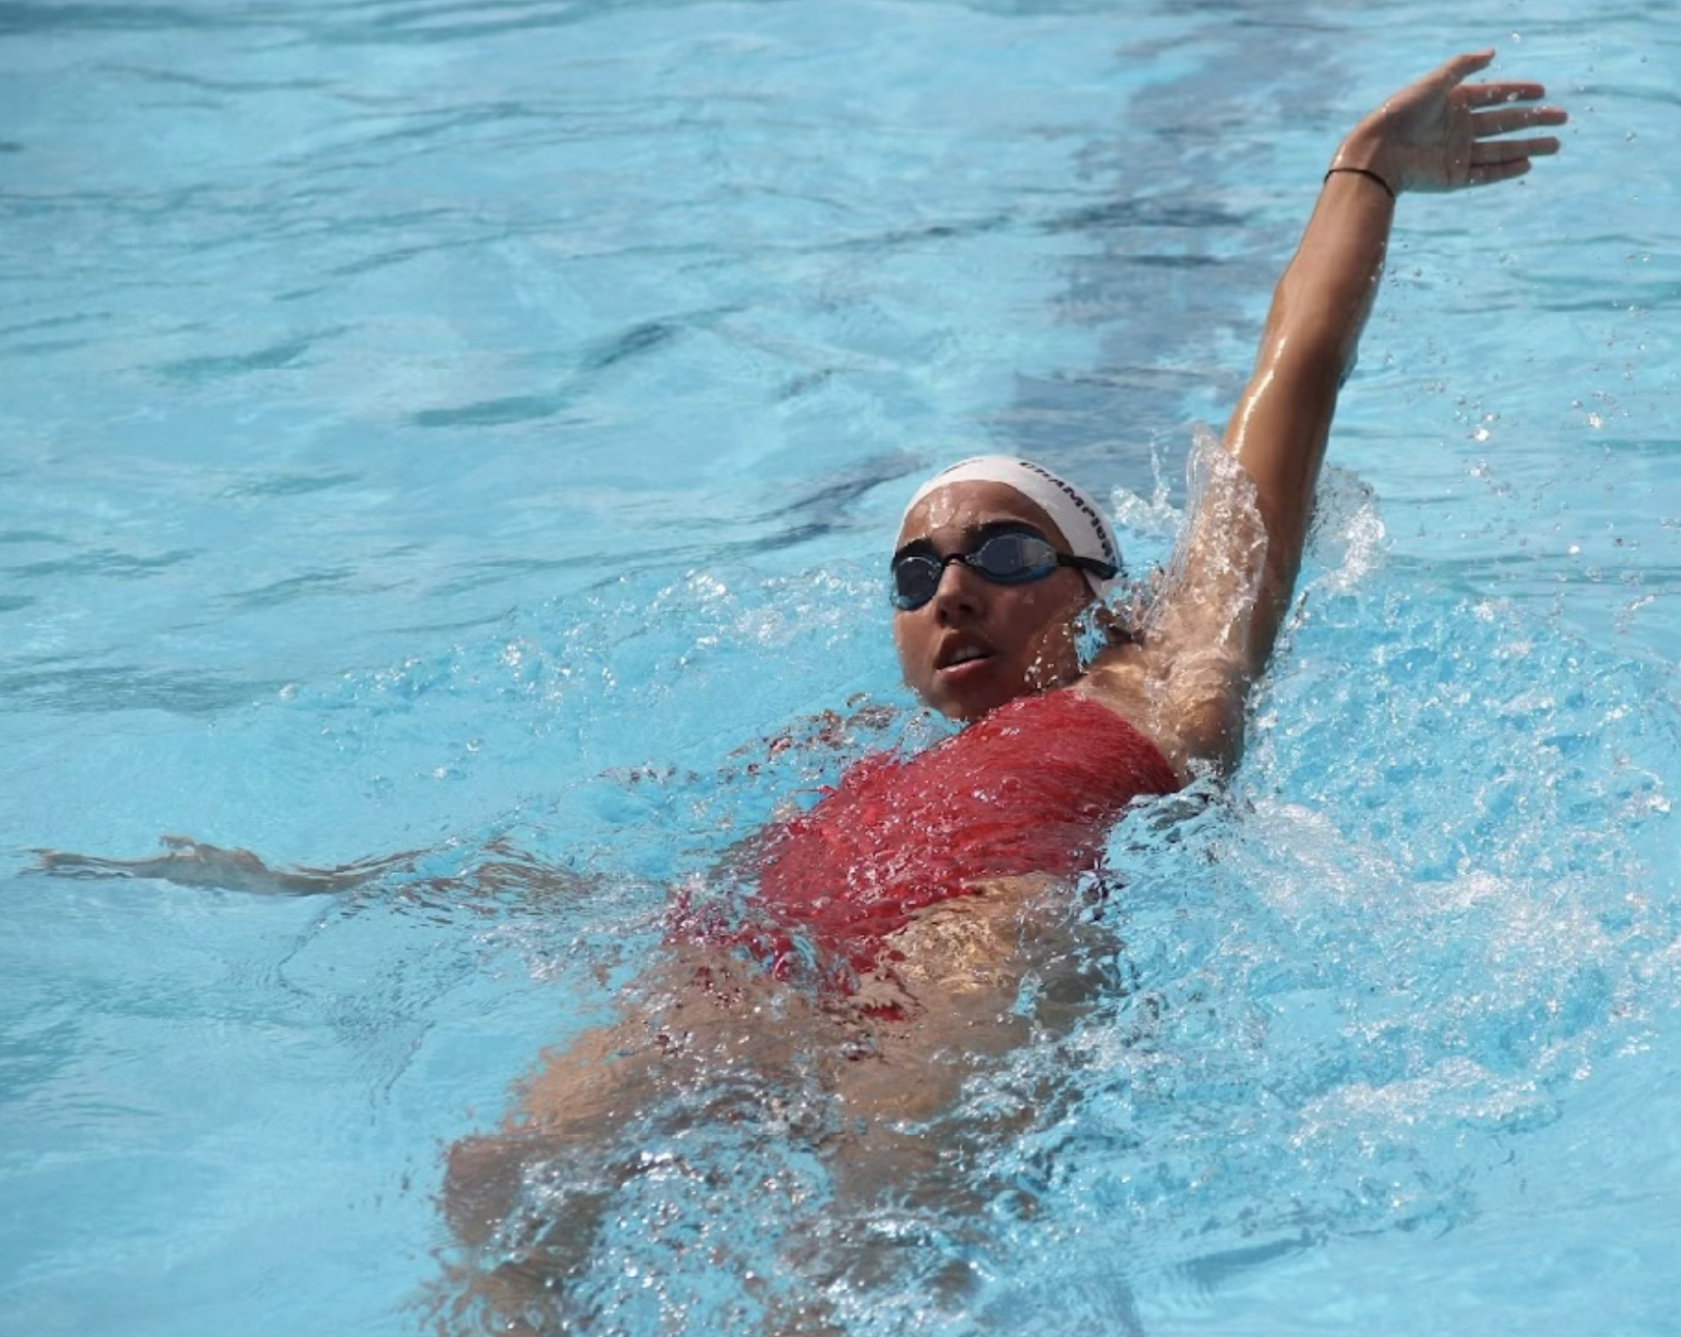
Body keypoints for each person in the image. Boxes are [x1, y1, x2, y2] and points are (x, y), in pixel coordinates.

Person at [46, 50, 1565, 1333]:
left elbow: (1280, 414)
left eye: (1003, 547)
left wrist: (1359, 176)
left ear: (1098, 584)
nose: (951, 586)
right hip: (760, 966)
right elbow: (600, 883)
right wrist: (313, 883)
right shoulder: (842, 757)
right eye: (914, 574)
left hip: (985, 944)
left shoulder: (1163, 681)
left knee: (860, 1235)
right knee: (497, 1177)